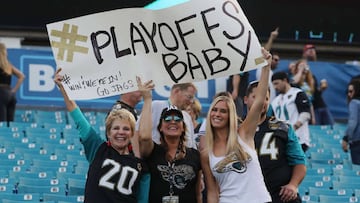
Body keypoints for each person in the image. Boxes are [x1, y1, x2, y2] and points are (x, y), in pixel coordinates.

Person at [54, 68, 151, 203]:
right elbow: (78, 118)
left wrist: (148, 100)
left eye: (126, 129)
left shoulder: (141, 164)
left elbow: (142, 199)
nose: (121, 132)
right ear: (108, 133)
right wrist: (63, 88)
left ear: (132, 133)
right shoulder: (98, 148)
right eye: (115, 128)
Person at [201, 48, 272, 203]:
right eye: (214, 110)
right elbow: (213, 192)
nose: (217, 114)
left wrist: (266, 68)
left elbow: (259, 102)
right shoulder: (206, 153)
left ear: (230, 116)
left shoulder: (244, 134)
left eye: (223, 111)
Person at [138, 78, 202, 203]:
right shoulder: (153, 152)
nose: (173, 121)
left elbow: (198, 193)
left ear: (184, 127)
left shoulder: (194, 156)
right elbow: (143, 136)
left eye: (178, 119)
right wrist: (147, 99)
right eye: (167, 118)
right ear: (160, 127)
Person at [244, 81, 306, 203]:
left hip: (281, 196)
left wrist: (293, 185)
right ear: (245, 99)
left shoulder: (283, 127)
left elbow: (299, 162)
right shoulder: (235, 129)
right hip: (248, 196)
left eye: (265, 98)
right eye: (255, 97)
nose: (261, 101)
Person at [136, 83, 198, 149]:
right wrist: (137, 157)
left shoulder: (187, 117)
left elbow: (192, 145)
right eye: (189, 97)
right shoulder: (156, 106)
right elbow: (137, 132)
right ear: (176, 91)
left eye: (193, 98)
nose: (191, 101)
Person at [270, 71, 311, 152]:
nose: (275, 87)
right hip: (282, 140)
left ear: (285, 80)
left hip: (298, 138)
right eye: (273, 84)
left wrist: (293, 128)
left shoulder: (297, 93)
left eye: (277, 83)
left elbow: (306, 114)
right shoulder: (275, 101)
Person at [302, 44, 334, 126]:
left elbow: (315, 91)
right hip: (311, 109)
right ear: (304, 53)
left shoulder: (319, 70)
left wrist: (321, 89)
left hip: (321, 106)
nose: (311, 51)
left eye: (313, 49)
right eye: (309, 50)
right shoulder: (301, 71)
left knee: (330, 127)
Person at [0, 42, 25, 123]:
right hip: (10, 94)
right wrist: (14, 90)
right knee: (10, 123)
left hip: (1, 93)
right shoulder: (8, 65)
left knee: (2, 122)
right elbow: (22, 76)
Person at [342, 79, 360, 165]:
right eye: (347, 91)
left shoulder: (354, 102)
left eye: (351, 91)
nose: (349, 94)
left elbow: (353, 122)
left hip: (357, 142)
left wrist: (346, 138)